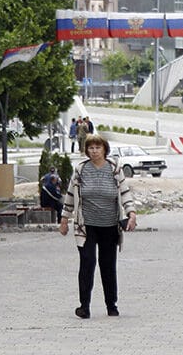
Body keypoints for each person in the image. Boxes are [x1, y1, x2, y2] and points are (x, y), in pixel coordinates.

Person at [59, 134, 137, 319]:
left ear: (104, 149)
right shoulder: (81, 169)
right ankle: (84, 307)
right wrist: (64, 219)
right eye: (91, 148)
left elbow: (125, 193)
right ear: (87, 150)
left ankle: (111, 305)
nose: (94, 151)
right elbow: (70, 195)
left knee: (108, 265)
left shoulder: (114, 169)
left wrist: (131, 213)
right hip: (86, 226)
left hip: (109, 225)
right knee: (87, 263)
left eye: (98, 148)